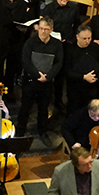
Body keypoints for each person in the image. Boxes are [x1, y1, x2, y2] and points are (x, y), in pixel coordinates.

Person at [16, 17, 63, 146]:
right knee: (25, 107)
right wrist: (37, 75)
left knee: (43, 109)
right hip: (31, 81)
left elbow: (59, 63)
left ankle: (42, 131)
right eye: (41, 28)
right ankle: (20, 131)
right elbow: (25, 61)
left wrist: (48, 76)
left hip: (47, 82)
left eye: (46, 29)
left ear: (51, 30)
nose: (42, 32)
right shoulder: (30, 43)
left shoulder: (57, 45)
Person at [42, 0, 81, 109]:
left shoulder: (73, 9)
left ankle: (58, 100)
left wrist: (71, 39)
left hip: (65, 44)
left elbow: (77, 27)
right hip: (50, 44)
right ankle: (43, 98)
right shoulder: (49, 8)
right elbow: (44, 25)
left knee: (61, 74)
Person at [0, 0, 29, 98]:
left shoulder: (22, 4)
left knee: (11, 68)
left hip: (16, 38)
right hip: (1, 38)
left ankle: (9, 92)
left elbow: (24, 19)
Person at [64, 25, 99, 115]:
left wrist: (95, 78)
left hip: (92, 88)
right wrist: (84, 77)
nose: (87, 41)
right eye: (84, 38)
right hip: (75, 89)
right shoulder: (70, 50)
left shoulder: (95, 47)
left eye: (89, 38)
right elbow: (67, 71)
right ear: (77, 37)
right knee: (74, 114)